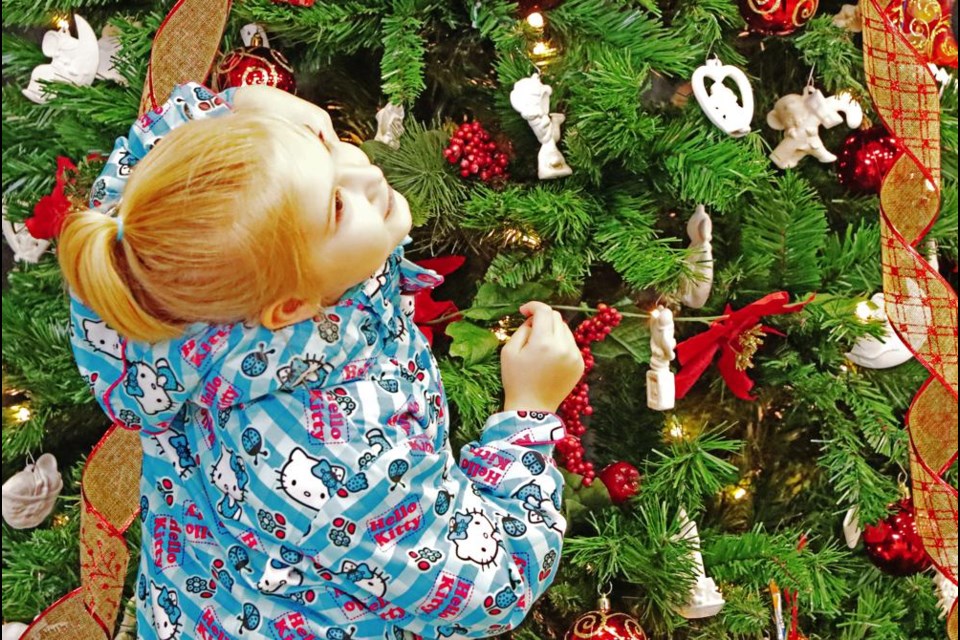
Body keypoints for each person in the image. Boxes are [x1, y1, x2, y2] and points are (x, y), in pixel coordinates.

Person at [57, 83, 584, 640]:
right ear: (290, 309)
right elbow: (486, 588)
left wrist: (237, 108)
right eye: (335, 204)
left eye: (324, 148)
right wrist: (527, 414)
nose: (365, 172)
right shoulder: (334, 458)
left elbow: (134, 186)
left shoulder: (156, 276)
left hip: (193, 601)